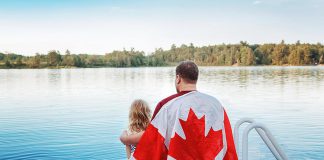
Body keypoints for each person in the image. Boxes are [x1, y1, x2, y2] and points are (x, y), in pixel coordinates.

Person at [120, 61, 238, 160]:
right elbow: (228, 143)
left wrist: (126, 139)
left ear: (178, 78)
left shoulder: (166, 105)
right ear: (195, 78)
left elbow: (152, 138)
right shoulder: (216, 105)